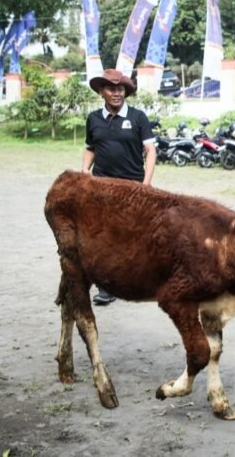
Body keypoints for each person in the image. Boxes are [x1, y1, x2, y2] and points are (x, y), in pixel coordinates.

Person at [83, 68, 157, 305]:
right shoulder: (93, 119)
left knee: (131, 236)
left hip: (132, 187)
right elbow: (90, 147)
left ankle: (135, 280)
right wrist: (85, 172)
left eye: (120, 88)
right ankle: (107, 286)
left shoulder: (137, 117)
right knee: (103, 236)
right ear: (101, 91)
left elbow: (151, 150)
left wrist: (145, 184)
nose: (116, 93)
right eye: (111, 88)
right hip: (101, 186)